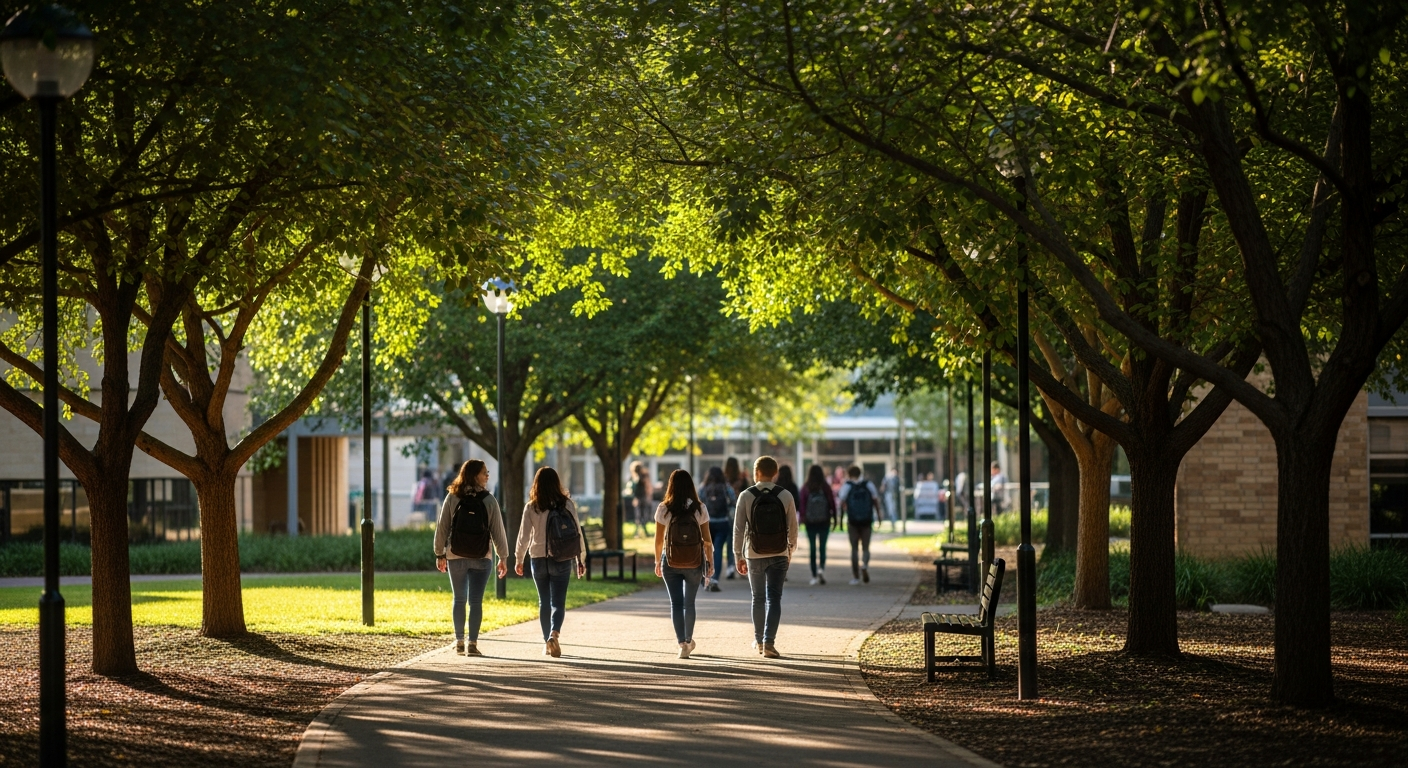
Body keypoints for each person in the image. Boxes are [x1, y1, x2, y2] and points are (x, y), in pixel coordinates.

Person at [433, 459, 509, 656]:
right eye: (485, 472)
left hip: (455, 555)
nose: (487, 476)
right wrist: (503, 557)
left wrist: (439, 553)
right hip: (482, 557)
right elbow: (498, 532)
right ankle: (472, 644)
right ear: (475, 475)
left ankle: (459, 641)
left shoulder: (452, 497)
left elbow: (442, 527)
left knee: (459, 599)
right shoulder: (489, 500)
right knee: (475, 601)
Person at [515, 466, 587, 658]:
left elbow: (523, 537)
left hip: (538, 559)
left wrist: (519, 559)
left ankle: (546, 641)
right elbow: (577, 532)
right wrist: (581, 558)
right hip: (562, 558)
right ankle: (554, 634)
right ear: (557, 483)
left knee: (544, 602)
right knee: (559, 602)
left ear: (536, 484)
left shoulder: (532, 506)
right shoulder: (567, 504)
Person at [733, 456, 798, 659]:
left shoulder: (746, 495)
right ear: (775, 473)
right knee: (775, 598)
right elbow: (793, 528)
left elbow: (738, 529)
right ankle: (770, 642)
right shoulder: (785, 495)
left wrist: (738, 555)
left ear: (756, 472)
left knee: (758, 598)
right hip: (779, 553)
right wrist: (790, 551)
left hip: (754, 553)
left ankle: (759, 641)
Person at [653, 469, 714, 658]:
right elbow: (707, 540)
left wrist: (657, 561)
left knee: (676, 603)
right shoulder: (699, 508)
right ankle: (688, 639)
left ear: (670, 485)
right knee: (690, 603)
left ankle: (681, 644)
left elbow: (658, 541)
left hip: (670, 561)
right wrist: (709, 562)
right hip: (694, 562)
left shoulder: (664, 508)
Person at [839, 465, 880, 585]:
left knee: (854, 549)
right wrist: (879, 516)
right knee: (866, 547)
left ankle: (856, 576)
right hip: (867, 520)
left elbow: (841, 503)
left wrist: (841, 520)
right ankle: (865, 565)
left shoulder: (847, 486)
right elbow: (875, 500)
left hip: (852, 521)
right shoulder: (868, 485)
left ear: (849, 474)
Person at [797, 464, 836, 585]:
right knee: (822, 548)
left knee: (812, 548)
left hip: (810, 522)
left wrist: (802, 519)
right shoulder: (825, 487)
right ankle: (821, 570)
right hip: (824, 521)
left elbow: (802, 505)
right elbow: (832, 503)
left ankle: (814, 575)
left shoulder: (806, 487)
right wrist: (834, 517)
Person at [699, 466, 737, 592]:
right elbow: (733, 501)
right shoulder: (726, 487)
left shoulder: (703, 488)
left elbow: (698, 503)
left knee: (706, 550)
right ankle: (714, 579)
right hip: (722, 522)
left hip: (707, 523)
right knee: (718, 549)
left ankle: (705, 577)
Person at [630, 461, 653, 538]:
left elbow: (645, 487)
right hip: (640, 498)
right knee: (640, 516)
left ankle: (640, 532)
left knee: (640, 516)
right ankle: (641, 532)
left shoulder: (641, 477)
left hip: (641, 499)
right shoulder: (639, 477)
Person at [881, 467, 901, 532]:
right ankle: (893, 523)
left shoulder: (896, 478)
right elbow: (883, 487)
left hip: (894, 495)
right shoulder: (888, 477)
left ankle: (894, 523)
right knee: (891, 509)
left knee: (893, 509)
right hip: (889, 495)